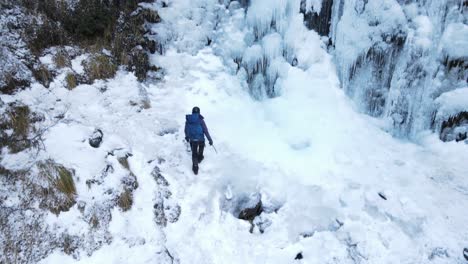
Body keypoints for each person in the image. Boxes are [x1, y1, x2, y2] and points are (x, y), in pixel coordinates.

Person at [185, 106, 213, 175]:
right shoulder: (201, 120)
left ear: (192, 112)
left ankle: (195, 168)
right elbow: (205, 131)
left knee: (194, 153)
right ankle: (200, 158)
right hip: (201, 139)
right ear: (199, 112)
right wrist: (210, 140)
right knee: (201, 150)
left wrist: (187, 137)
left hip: (192, 140)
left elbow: (186, 130)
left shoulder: (188, 119)